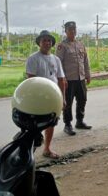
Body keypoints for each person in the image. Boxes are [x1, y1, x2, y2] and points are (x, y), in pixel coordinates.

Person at [26, 30, 66, 159]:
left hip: (53, 97)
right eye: (44, 40)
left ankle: (47, 149)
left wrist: (63, 98)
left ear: (52, 43)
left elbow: (61, 79)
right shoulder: (33, 59)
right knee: (34, 125)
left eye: (49, 40)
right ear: (39, 43)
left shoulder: (56, 59)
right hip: (38, 97)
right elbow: (30, 80)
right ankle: (27, 153)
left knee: (51, 123)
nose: (47, 43)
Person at [56, 21, 92, 136]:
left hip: (80, 78)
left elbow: (85, 61)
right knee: (68, 103)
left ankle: (80, 121)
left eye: (74, 29)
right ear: (66, 31)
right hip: (68, 80)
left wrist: (88, 74)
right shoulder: (62, 46)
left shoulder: (80, 44)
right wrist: (62, 78)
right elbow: (58, 63)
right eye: (70, 30)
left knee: (82, 100)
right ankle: (68, 125)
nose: (72, 31)